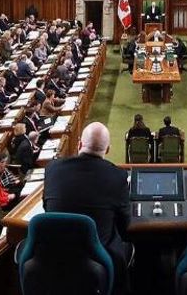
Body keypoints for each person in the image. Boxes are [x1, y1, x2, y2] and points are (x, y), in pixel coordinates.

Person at [43, 122, 131, 287]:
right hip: (96, 261)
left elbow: (47, 208)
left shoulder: (52, 169)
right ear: (108, 150)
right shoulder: (117, 176)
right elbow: (124, 227)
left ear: (79, 144)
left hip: (53, 258)